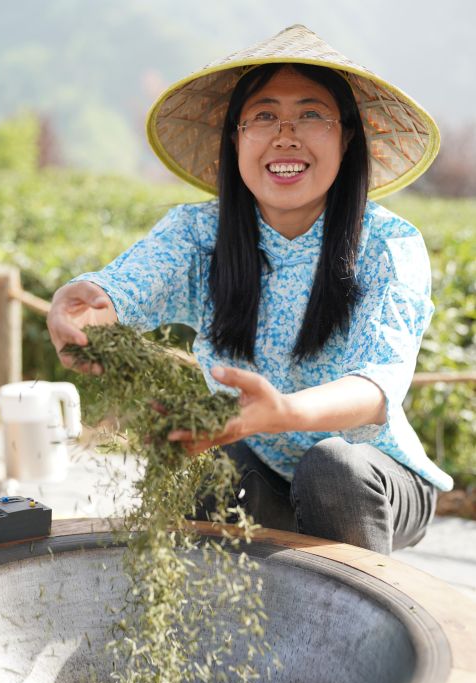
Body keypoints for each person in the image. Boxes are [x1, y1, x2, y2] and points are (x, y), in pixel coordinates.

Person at [47, 25, 453, 555]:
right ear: (236, 138)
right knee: (205, 466)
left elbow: (378, 386)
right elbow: (124, 287)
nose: (286, 134)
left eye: (311, 114)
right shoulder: (199, 233)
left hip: (372, 479)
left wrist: (285, 410)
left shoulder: (389, 243)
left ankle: (360, 632)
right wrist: (85, 304)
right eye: (263, 116)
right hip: (259, 466)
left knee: (329, 467)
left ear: (347, 136)